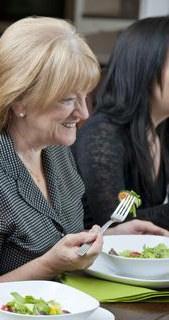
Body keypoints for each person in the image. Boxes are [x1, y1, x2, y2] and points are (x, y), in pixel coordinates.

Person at [0, 17, 169, 308]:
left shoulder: (52, 146)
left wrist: (111, 236)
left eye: (85, 96)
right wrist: (48, 264)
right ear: (19, 100)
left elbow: (62, 235)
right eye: (68, 99)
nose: (83, 113)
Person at [73, 16, 169, 229]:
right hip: (94, 260)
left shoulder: (161, 129)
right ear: (144, 68)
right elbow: (114, 223)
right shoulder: (102, 133)